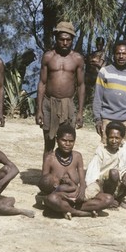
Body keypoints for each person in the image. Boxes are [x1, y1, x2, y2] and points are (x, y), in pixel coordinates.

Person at [38, 124, 113, 219]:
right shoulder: (50, 159)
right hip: (60, 197)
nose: (67, 144)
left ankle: (67, 210)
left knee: (108, 199)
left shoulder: (77, 156)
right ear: (57, 140)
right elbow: (45, 184)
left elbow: (82, 180)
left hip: (78, 197)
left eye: (71, 141)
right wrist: (60, 194)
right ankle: (78, 212)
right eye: (64, 140)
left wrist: (82, 190)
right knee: (51, 199)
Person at [35, 21, 85, 163]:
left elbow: (81, 85)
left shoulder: (77, 59)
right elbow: (42, 83)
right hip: (49, 103)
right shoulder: (48, 57)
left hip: (67, 105)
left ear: (72, 40)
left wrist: (80, 112)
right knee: (49, 142)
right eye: (61, 39)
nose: (64, 42)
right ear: (56, 38)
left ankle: (62, 174)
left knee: (66, 143)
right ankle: (46, 177)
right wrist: (39, 109)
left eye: (68, 40)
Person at [85, 121, 126, 209]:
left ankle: (118, 199)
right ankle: (108, 199)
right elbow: (92, 174)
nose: (114, 141)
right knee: (114, 173)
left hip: (118, 182)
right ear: (107, 137)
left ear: (122, 138)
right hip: (103, 184)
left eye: (117, 138)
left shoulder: (125, 147)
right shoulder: (101, 150)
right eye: (111, 137)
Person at [93, 39, 126, 143]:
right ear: (113, 55)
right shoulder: (104, 72)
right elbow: (98, 97)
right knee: (107, 153)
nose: (121, 56)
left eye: (124, 53)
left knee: (124, 154)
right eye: (118, 53)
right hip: (107, 119)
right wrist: (97, 119)